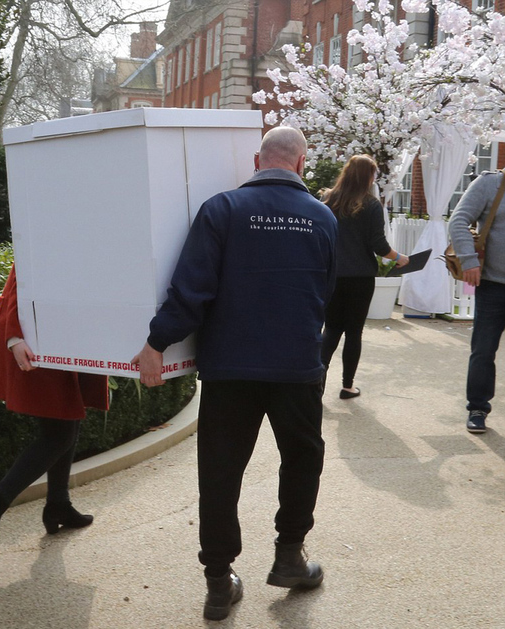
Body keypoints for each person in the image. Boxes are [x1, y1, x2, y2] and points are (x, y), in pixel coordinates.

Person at [131, 126, 338, 621]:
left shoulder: (221, 209)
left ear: (256, 159)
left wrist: (157, 342)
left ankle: (219, 582)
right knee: (303, 459)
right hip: (296, 365)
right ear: (302, 163)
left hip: (230, 367)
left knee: (221, 472)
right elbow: (325, 291)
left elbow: (192, 287)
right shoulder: (324, 218)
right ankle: (290, 555)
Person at [0, 266, 109, 553]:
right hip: (36, 340)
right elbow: (22, 276)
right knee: (59, 434)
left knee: (68, 418)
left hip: (56, 333)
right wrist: (14, 338)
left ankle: (58, 504)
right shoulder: (46, 225)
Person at [320, 155, 409, 399]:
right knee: (353, 332)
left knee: (330, 330)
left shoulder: (327, 201)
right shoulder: (370, 205)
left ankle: (315, 386)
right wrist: (399, 257)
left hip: (332, 276)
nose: (374, 179)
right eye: (373, 174)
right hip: (360, 278)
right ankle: (347, 386)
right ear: (366, 176)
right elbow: (379, 245)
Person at [449, 169, 505, 434]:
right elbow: (458, 220)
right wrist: (469, 261)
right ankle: (478, 408)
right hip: (494, 286)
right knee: (483, 350)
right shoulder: (491, 183)